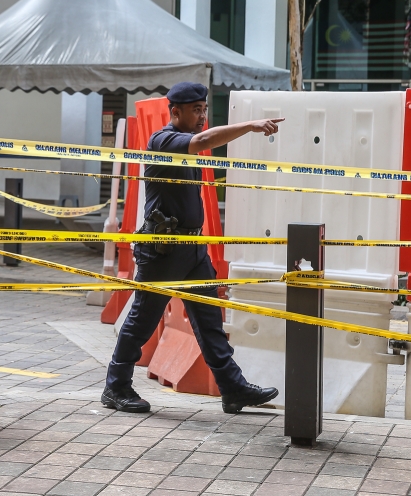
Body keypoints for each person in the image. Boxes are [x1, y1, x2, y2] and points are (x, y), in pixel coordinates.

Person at [102, 82, 285, 414]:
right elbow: (202, 140)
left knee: (209, 319)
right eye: (196, 110)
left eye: (204, 109)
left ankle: (232, 388)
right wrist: (250, 125)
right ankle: (115, 387)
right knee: (142, 320)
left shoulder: (186, 148)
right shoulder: (165, 140)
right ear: (176, 112)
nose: (202, 116)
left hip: (192, 248)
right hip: (163, 250)